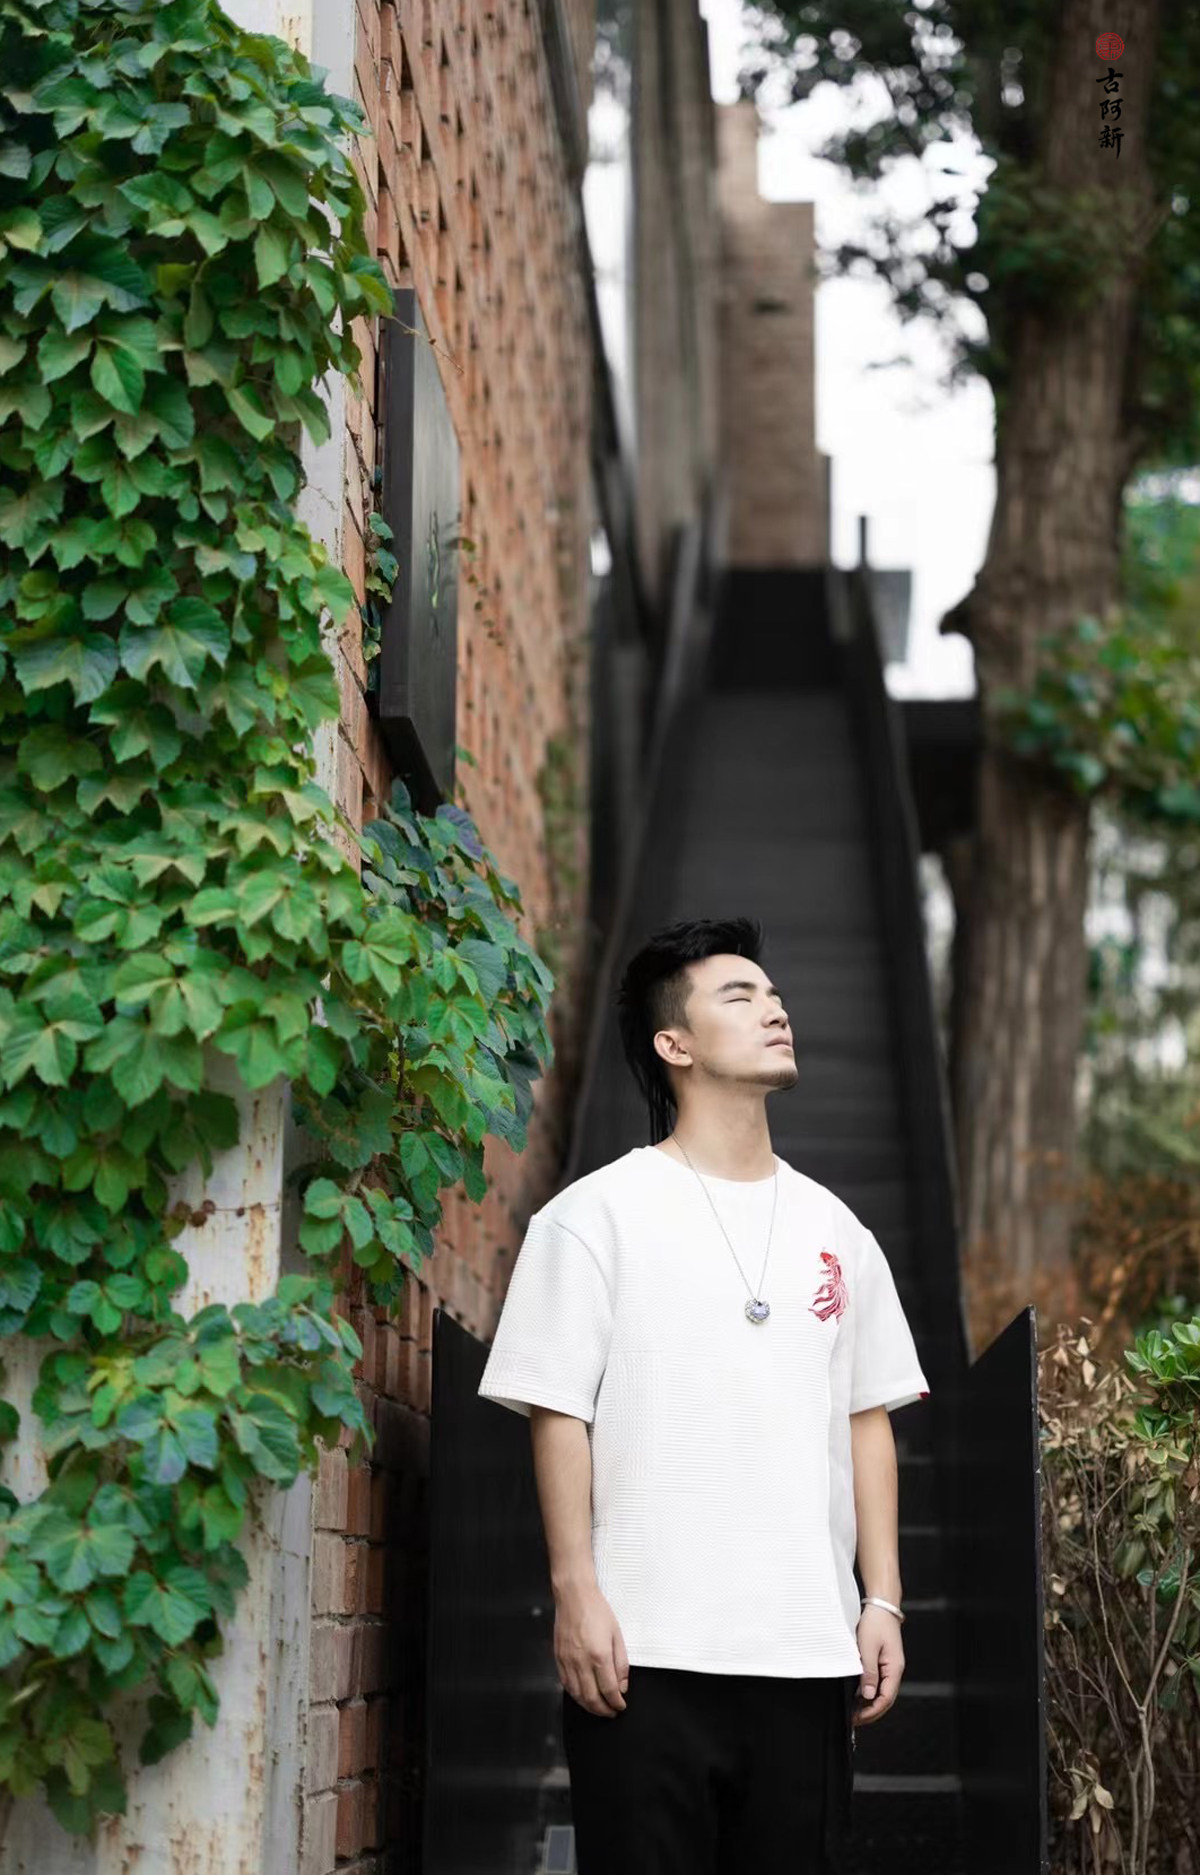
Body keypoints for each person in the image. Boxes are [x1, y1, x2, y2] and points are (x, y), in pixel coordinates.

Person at [478, 916, 932, 1874]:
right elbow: (560, 1411)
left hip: (804, 1654)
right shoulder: (592, 1216)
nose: (775, 1009)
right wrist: (574, 1590)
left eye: (775, 994)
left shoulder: (838, 1230)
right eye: (741, 995)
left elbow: (867, 1418)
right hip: (643, 1654)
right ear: (673, 1043)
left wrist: (883, 1599)